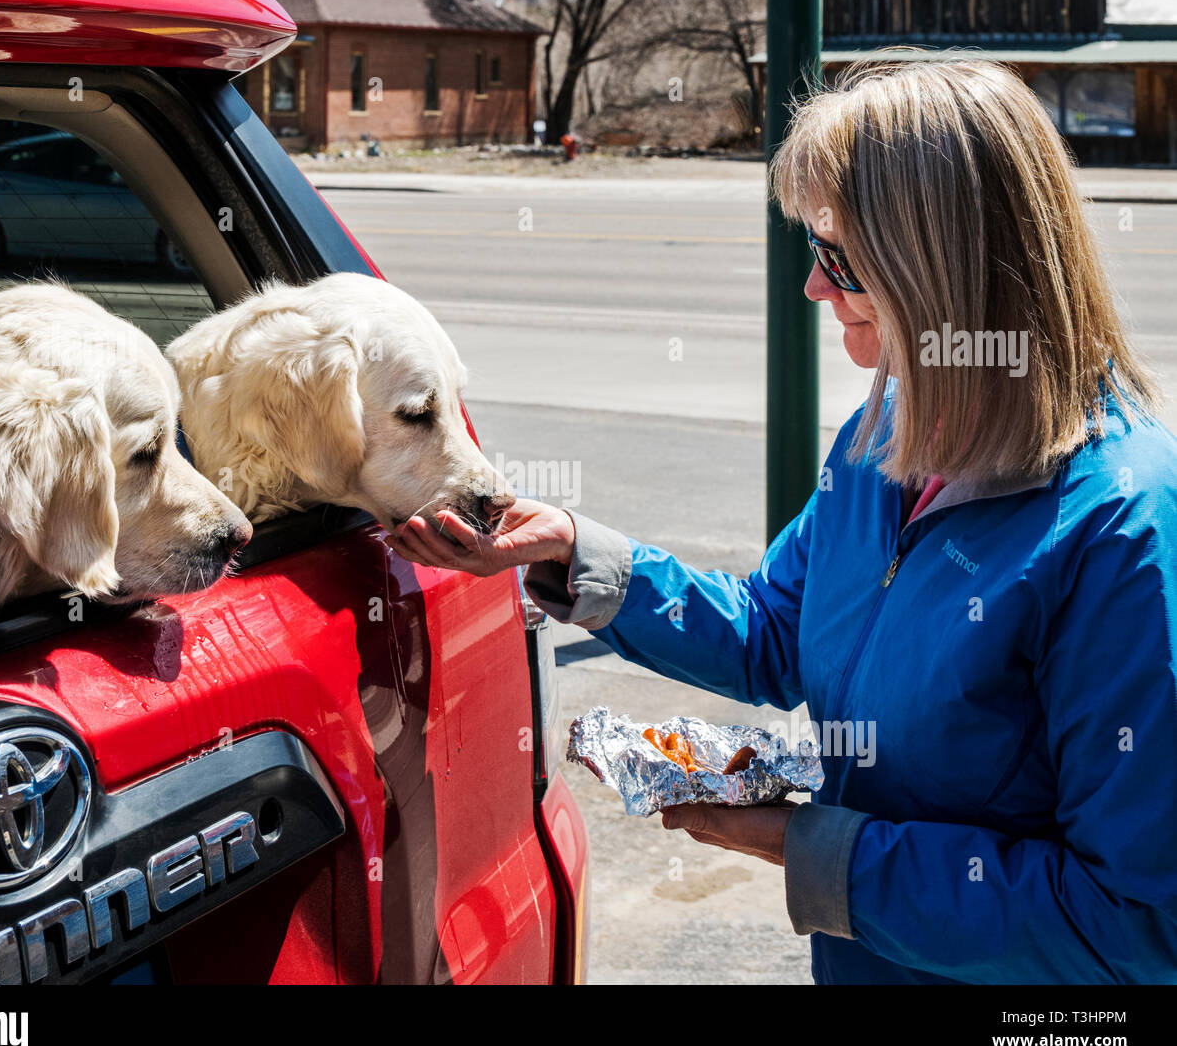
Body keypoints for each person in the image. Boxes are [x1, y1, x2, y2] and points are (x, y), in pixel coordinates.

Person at [382, 58, 1177, 984]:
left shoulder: (1121, 532)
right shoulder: (892, 426)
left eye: (837, 258)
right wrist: (576, 551)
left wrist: (819, 853)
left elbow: (1133, 925)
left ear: (941, 268)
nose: (810, 287)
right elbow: (778, 629)